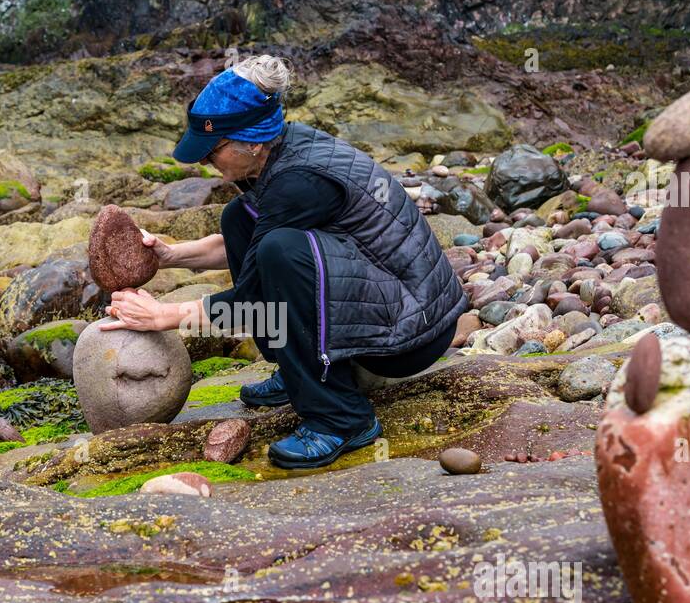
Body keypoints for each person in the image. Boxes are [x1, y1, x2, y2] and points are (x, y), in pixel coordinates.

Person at [102, 55, 468, 469]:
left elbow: (254, 300)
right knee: (239, 218)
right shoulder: (278, 153)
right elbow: (250, 239)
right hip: (389, 299)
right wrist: (170, 255)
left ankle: (341, 418)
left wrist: (164, 316)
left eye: (212, 151)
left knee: (280, 253)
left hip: (411, 335)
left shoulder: (300, 180)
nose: (205, 162)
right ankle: (299, 374)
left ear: (252, 142)